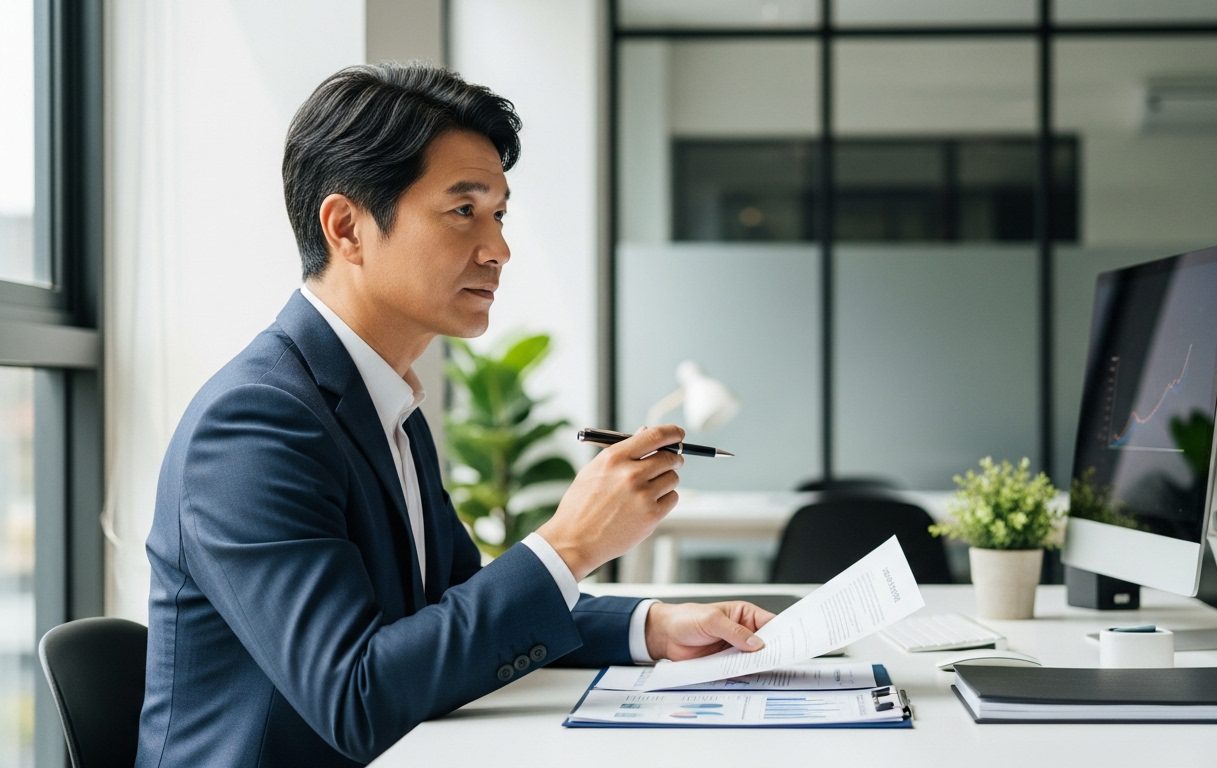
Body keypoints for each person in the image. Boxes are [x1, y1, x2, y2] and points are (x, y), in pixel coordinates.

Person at [136, 64, 775, 767]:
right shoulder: (255, 423)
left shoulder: (386, 406)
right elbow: (356, 695)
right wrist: (567, 546)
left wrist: (653, 626)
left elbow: (452, 605)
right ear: (347, 227)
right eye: (463, 211)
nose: (498, 250)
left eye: (498, 214)